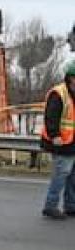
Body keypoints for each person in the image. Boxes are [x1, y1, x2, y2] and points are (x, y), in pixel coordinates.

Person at [40, 60, 75, 219]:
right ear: (71, 78)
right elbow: (51, 117)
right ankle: (51, 205)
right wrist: (55, 136)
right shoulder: (59, 93)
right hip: (61, 142)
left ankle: (71, 205)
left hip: (72, 142)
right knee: (62, 173)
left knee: (73, 175)